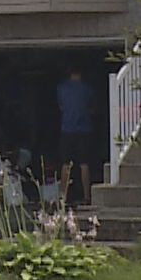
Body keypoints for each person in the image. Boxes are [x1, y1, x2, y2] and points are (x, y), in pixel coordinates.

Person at [56, 68, 95, 206]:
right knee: (84, 164)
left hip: (67, 129)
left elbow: (61, 107)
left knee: (65, 164)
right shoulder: (87, 89)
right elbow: (91, 108)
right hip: (84, 129)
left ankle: (63, 197)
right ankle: (87, 196)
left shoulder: (61, 88)